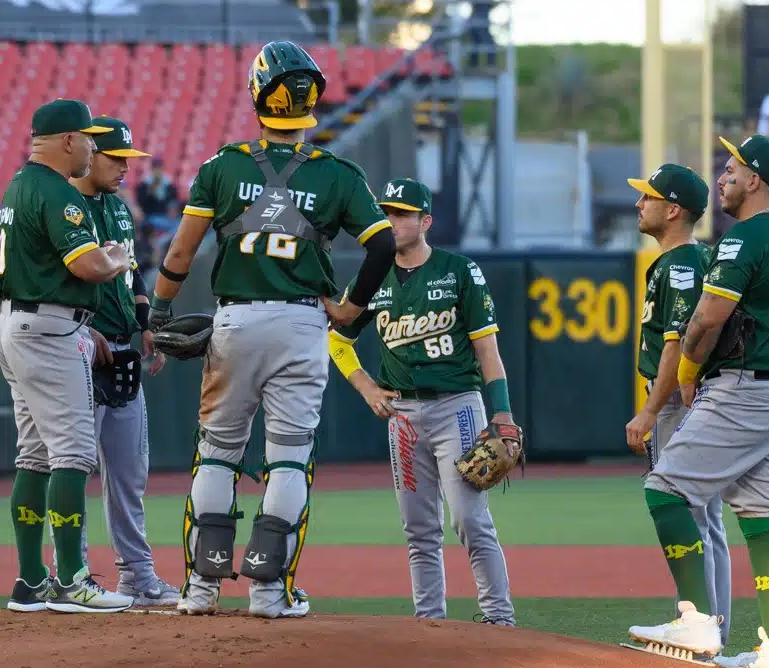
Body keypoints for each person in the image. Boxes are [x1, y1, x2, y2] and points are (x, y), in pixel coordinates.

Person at [149, 40, 397, 618]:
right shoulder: (339, 174)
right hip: (303, 323)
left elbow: (182, 252)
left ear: (260, 94)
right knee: (287, 458)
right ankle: (268, 592)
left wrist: (157, 313)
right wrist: (352, 309)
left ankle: (200, 590)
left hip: (235, 321)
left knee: (217, 454)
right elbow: (383, 244)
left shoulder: (222, 166)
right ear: (312, 100)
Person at [627, 135, 769, 668]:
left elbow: (705, 319)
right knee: (758, 519)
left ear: (755, 180)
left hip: (746, 386)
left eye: (732, 168)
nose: (723, 177)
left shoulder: (748, 235)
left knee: (666, 490)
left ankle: (696, 619)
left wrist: (686, 377)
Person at [327, 177, 517, 625]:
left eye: (400, 213)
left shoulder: (458, 271)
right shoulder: (371, 278)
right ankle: (429, 623)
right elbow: (337, 341)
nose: (390, 221)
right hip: (403, 415)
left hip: (458, 406)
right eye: (386, 213)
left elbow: (488, 349)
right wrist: (366, 387)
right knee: (419, 530)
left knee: (470, 520)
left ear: (425, 220)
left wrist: (502, 412)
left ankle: (498, 618)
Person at [0, 98, 136, 615]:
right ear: (70, 140)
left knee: (32, 454)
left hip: (13, 322)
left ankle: (31, 579)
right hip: (50, 329)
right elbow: (88, 266)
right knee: (73, 453)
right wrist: (118, 258)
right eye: (90, 139)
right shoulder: (56, 192)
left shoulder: (17, 185)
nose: (95, 148)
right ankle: (73, 579)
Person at [70, 115, 175, 606]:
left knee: (130, 473)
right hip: (76, 347)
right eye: (116, 159)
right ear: (90, 153)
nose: (124, 170)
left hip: (122, 347)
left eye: (129, 161)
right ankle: (73, 574)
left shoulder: (118, 210)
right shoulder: (64, 206)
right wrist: (78, 326)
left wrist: (147, 324)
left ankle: (137, 576)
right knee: (72, 467)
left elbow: (131, 277)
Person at [624, 164, 731, 646]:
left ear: (672, 210)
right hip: (693, 397)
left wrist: (650, 410)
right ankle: (710, 626)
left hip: (678, 401)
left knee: (687, 512)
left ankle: (698, 623)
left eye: (647, 197)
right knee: (705, 519)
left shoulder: (680, 264)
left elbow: (679, 343)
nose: (638, 204)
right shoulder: (690, 259)